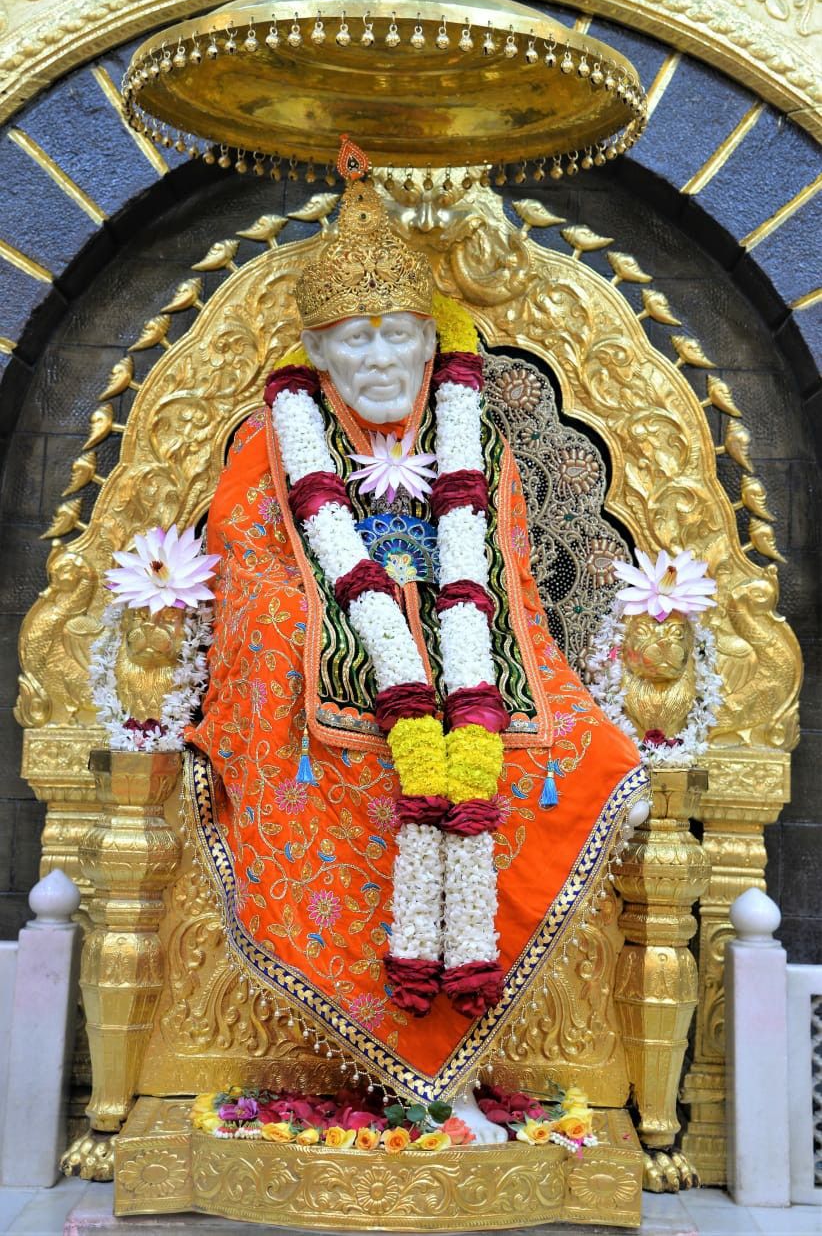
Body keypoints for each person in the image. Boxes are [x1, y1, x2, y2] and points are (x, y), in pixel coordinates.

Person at [186, 138, 646, 1113]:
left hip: (470, 693)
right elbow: (258, 597)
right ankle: (333, 1067)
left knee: (589, 759)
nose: (382, 358)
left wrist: (451, 671)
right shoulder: (278, 444)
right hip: (326, 704)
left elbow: (509, 583)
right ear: (314, 351)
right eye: (356, 338)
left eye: (400, 334)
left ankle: (501, 1064)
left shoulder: (472, 437)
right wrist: (365, 641)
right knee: (319, 765)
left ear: (434, 341)